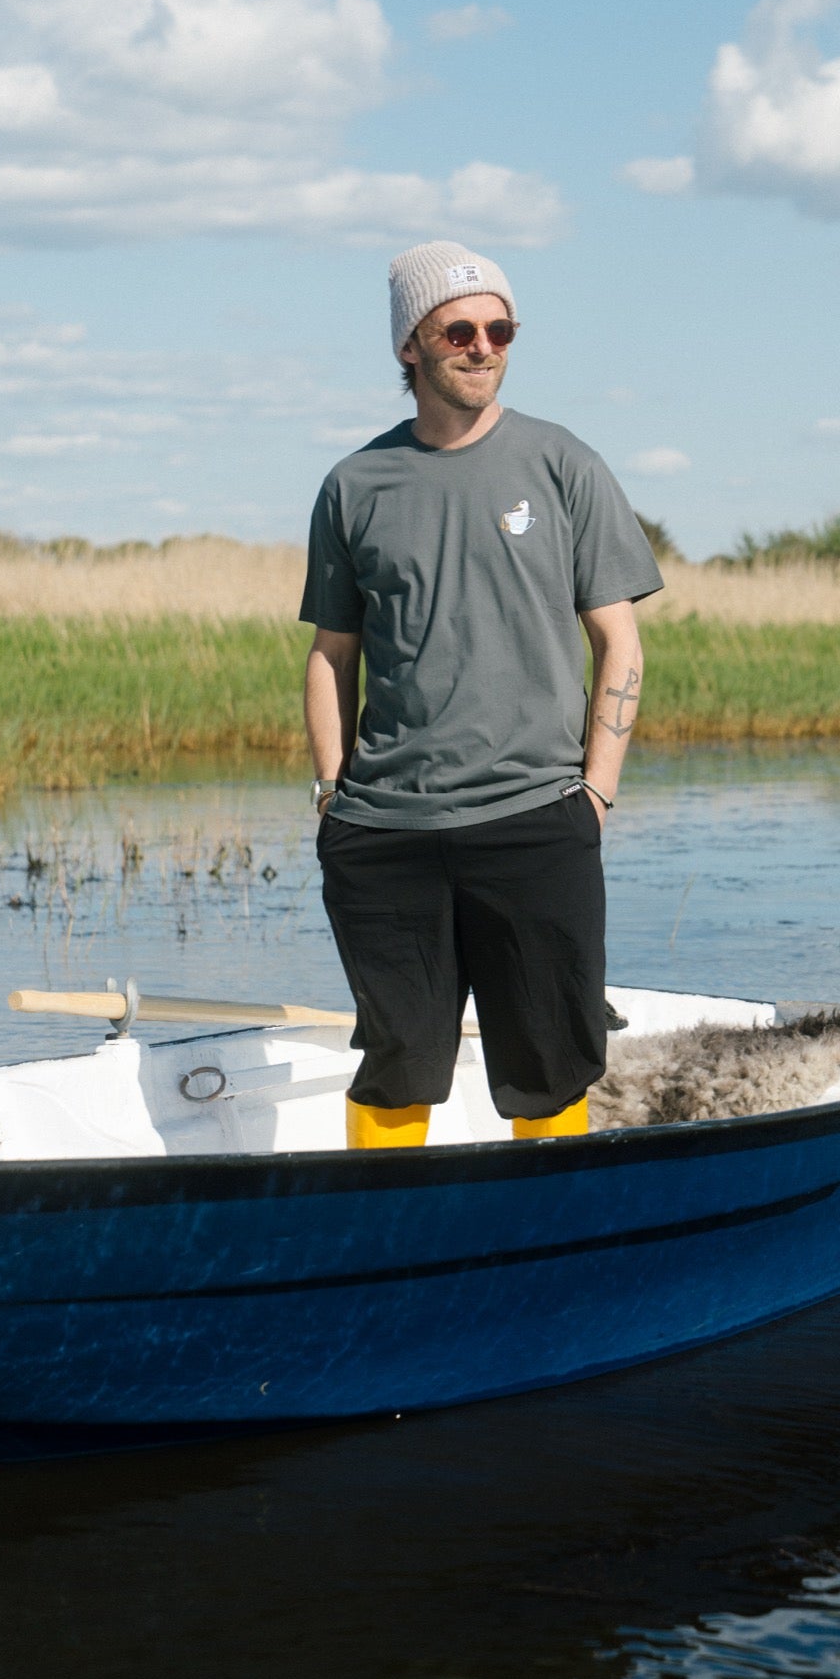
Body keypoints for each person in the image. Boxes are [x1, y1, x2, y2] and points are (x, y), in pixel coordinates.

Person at [301, 239, 662, 1149]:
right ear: (408, 348)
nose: (482, 345)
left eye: (499, 328)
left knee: (548, 1065)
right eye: (457, 329)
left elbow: (617, 638)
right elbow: (330, 655)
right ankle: (388, 1248)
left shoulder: (561, 463)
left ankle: (551, 1248)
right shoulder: (354, 486)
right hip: (384, 834)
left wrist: (596, 794)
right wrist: (331, 798)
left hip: (537, 820)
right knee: (396, 1062)